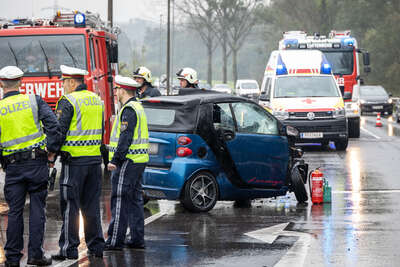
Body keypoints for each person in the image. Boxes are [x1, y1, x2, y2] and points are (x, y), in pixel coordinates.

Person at [0, 66, 60, 267]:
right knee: (37, 209)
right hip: (37, 163)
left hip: (13, 167)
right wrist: (51, 151)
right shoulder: (34, 100)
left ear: (1, 83)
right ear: (21, 82)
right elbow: (54, 126)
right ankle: (35, 255)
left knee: (15, 212)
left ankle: (12, 258)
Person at [52, 65, 105, 261]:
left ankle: (68, 249)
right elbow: (101, 130)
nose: (63, 86)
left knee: (70, 207)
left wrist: (51, 155)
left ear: (72, 82)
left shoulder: (68, 101)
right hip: (94, 161)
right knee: (91, 206)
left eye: (64, 82)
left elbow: (59, 132)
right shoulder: (96, 101)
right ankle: (97, 246)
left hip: (74, 162)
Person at [105, 75, 149, 250]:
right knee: (135, 200)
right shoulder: (138, 106)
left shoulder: (128, 109)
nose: (115, 93)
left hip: (128, 161)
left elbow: (125, 137)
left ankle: (115, 241)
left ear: (122, 90)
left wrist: (115, 160)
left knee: (120, 199)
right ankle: (137, 239)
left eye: (116, 90)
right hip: (138, 160)